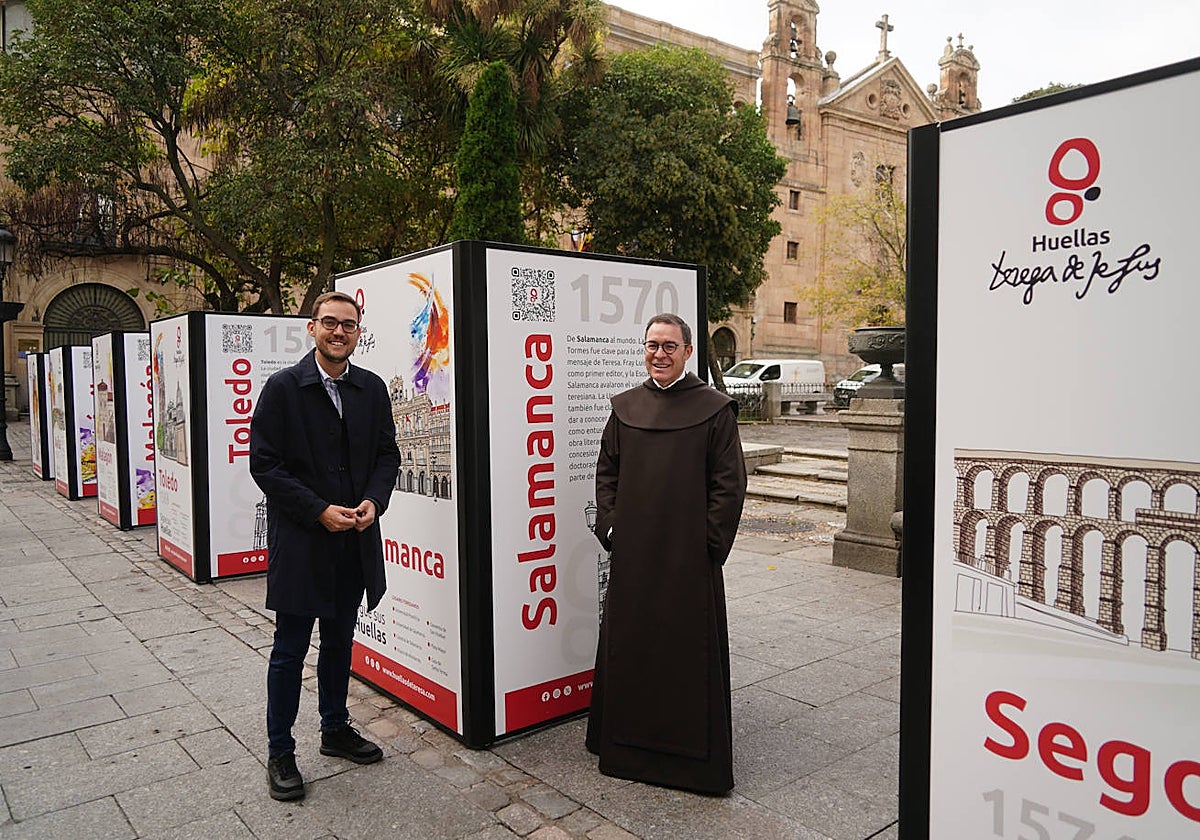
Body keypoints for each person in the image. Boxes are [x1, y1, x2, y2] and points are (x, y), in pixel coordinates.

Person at [585, 313, 747, 795]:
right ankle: (625, 748)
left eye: (669, 346)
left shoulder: (714, 410)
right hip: (634, 557)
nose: (659, 354)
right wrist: (611, 525)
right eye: (652, 345)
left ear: (687, 351)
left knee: (686, 656)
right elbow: (607, 471)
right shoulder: (625, 408)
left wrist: (706, 545)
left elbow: (729, 485)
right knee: (630, 648)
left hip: (687, 562)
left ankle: (690, 763)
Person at [250, 290, 400, 801]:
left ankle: (335, 728)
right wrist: (317, 509)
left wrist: (374, 501)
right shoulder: (283, 388)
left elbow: (387, 455)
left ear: (358, 331)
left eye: (349, 325)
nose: (339, 332)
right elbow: (264, 464)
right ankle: (280, 751)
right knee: (290, 650)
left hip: (354, 540)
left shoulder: (371, 388)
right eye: (330, 322)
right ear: (312, 328)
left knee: (340, 640)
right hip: (302, 541)